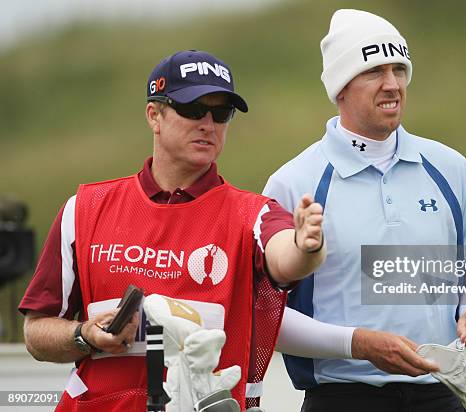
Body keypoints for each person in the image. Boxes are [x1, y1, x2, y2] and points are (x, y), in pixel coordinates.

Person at [19, 49, 325, 412]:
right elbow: (36, 333)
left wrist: (306, 247)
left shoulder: (253, 213)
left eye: (221, 113)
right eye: (193, 109)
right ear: (154, 115)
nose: (208, 124)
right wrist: (84, 335)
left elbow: (286, 258)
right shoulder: (84, 208)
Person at [264, 9, 466, 412]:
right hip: (341, 398)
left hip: (438, 393)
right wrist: (359, 344)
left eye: (399, 70)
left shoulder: (449, 166)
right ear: (340, 88)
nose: (392, 85)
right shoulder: (293, 182)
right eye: (373, 71)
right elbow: (267, 318)